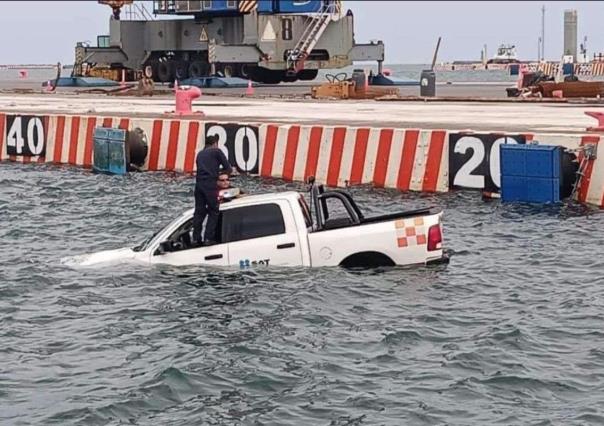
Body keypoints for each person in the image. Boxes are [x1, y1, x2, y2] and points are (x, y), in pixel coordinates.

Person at [193, 135, 232, 246]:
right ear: (215, 143)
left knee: (199, 212)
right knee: (213, 211)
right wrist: (222, 175)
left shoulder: (200, 154)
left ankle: (196, 239)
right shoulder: (217, 151)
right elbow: (228, 168)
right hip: (210, 185)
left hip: (199, 185)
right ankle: (208, 238)